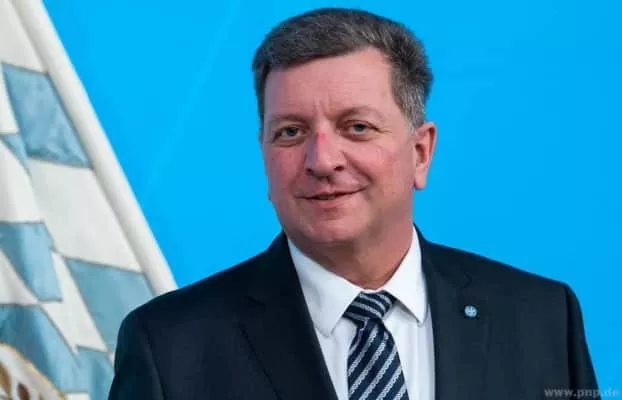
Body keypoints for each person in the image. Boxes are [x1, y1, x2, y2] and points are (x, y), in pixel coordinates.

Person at [109, 7, 599, 400]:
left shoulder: (541, 318)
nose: (322, 160)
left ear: (420, 153)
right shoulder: (170, 347)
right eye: (291, 132)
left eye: (357, 127)